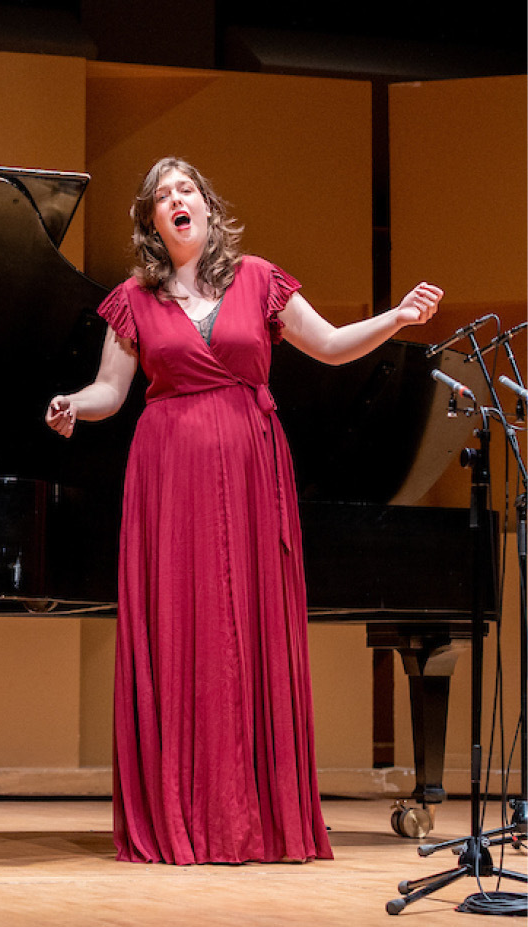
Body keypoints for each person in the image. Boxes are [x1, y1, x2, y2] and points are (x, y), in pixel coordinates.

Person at [46, 157, 442, 865]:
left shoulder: (259, 277)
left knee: (247, 627)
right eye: (162, 195)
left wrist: (398, 317)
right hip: (168, 476)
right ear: (151, 221)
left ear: (206, 205)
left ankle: (253, 818)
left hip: (253, 469)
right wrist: (77, 404)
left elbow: (328, 346)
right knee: (180, 631)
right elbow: (112, 388)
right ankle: (180, 815)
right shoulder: (133, 298)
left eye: (186, 189)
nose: (176, 200)